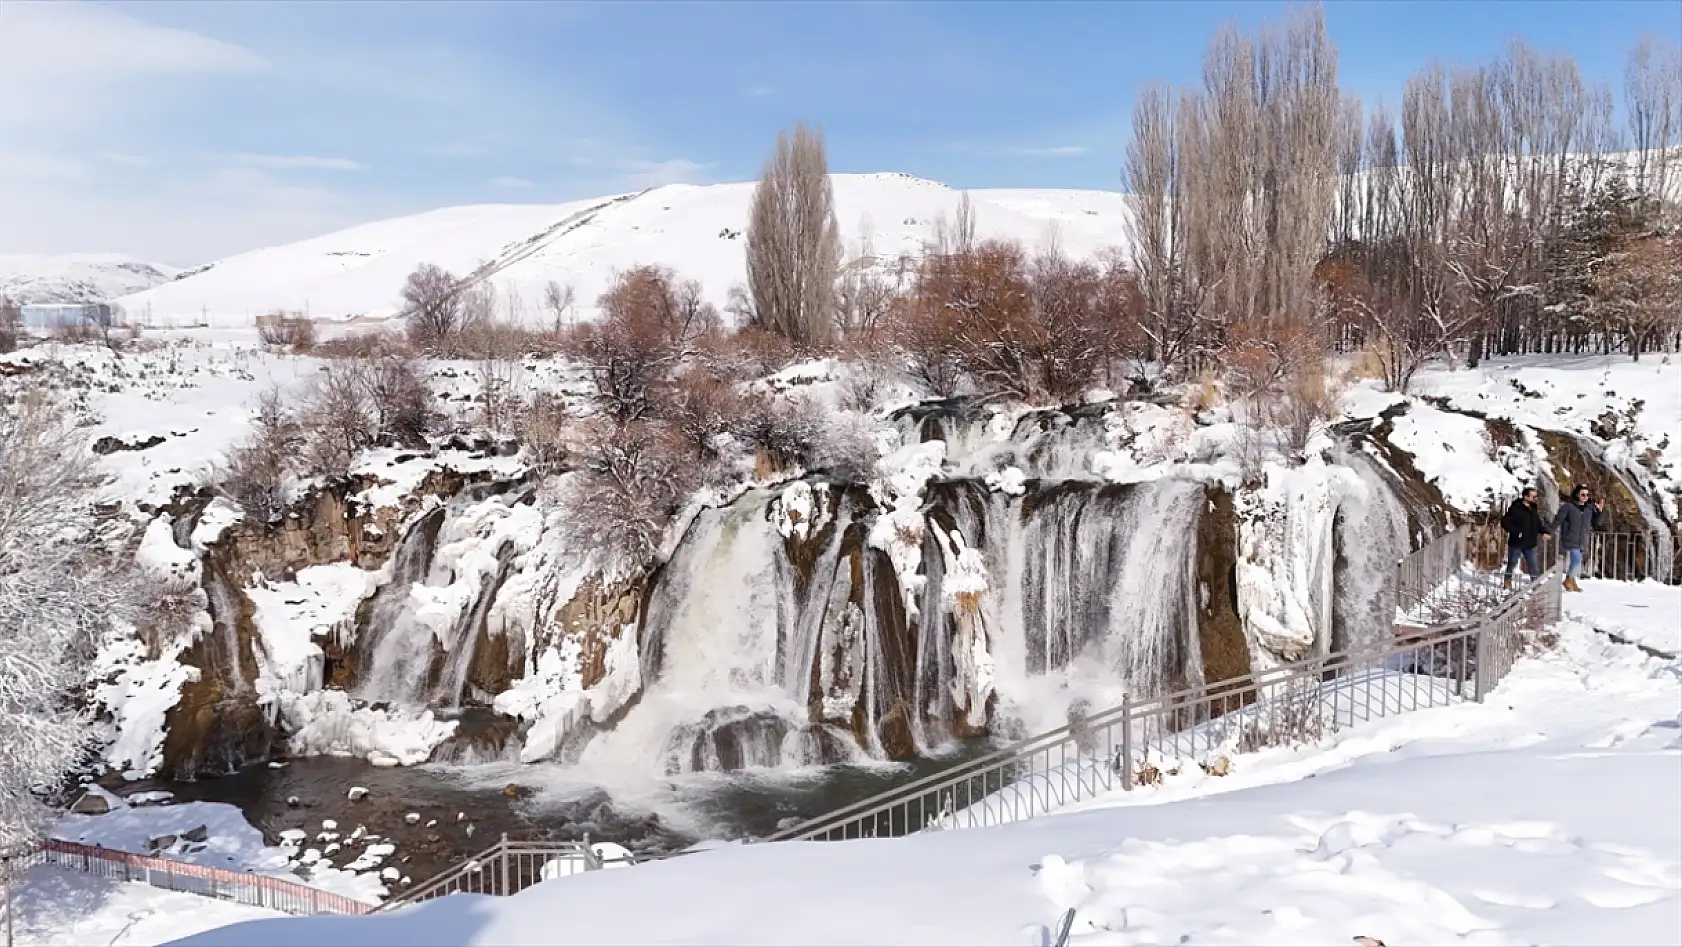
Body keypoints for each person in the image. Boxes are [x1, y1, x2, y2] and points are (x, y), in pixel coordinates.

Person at [1552, 483, 1606, 592]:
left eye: (1587, 495)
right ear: (1576, 495)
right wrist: (1548, 531)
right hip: (1570, 537)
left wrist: (1600, 511)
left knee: (1576, 561)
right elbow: (1558, 520)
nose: (1586, 497)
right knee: (1577, 559)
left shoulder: (1589, 508)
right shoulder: (1568, 507)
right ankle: (1568, 579)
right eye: (1583, 495)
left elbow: (1597, 523)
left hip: (1582, 539)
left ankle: (1572, 580)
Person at [1500, 486, 1551, 589]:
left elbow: (1537, 523)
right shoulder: (1515, 508)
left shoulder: (1533, 509)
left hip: (1530, 543)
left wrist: (1544, 532)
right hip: (1516, 543)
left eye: (1536, 497)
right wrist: (1516, 532)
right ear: (1525, 497)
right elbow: (1505, 522)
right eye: (1533, 497)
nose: (1536, 499)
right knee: (1512, 563)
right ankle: (1507, 581)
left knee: (1533, 565)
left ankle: (1535, 585)